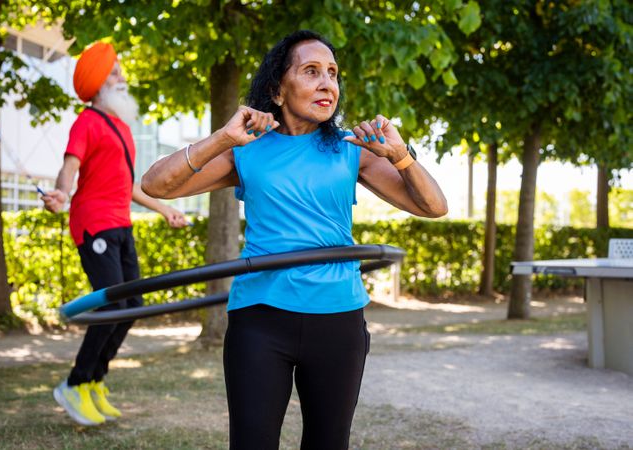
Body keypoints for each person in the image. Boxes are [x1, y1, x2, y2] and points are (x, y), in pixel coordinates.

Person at [142, 30, 447, 449]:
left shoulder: (352, 149)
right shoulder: (247, 148)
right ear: (277, 90)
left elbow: (434, 207)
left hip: (338, 317)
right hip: (260, 317)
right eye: (311, 71)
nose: (327, 83)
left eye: (333, 74)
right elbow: (156, 185)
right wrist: (224, 138)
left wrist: (401, 156)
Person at [42, 41, 187, 426]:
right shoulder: (86, 122)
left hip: (121, 224)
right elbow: (69, 167)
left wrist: (165, 208)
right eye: (114, 71)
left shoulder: (121, 127)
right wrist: (61, 192)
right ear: (97, 83)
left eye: (119, 69)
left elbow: (128, 186)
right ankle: (74, 384)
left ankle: (94, 381)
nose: (121, 76)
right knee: (111, 307)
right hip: (93, 223)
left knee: (131, 305)